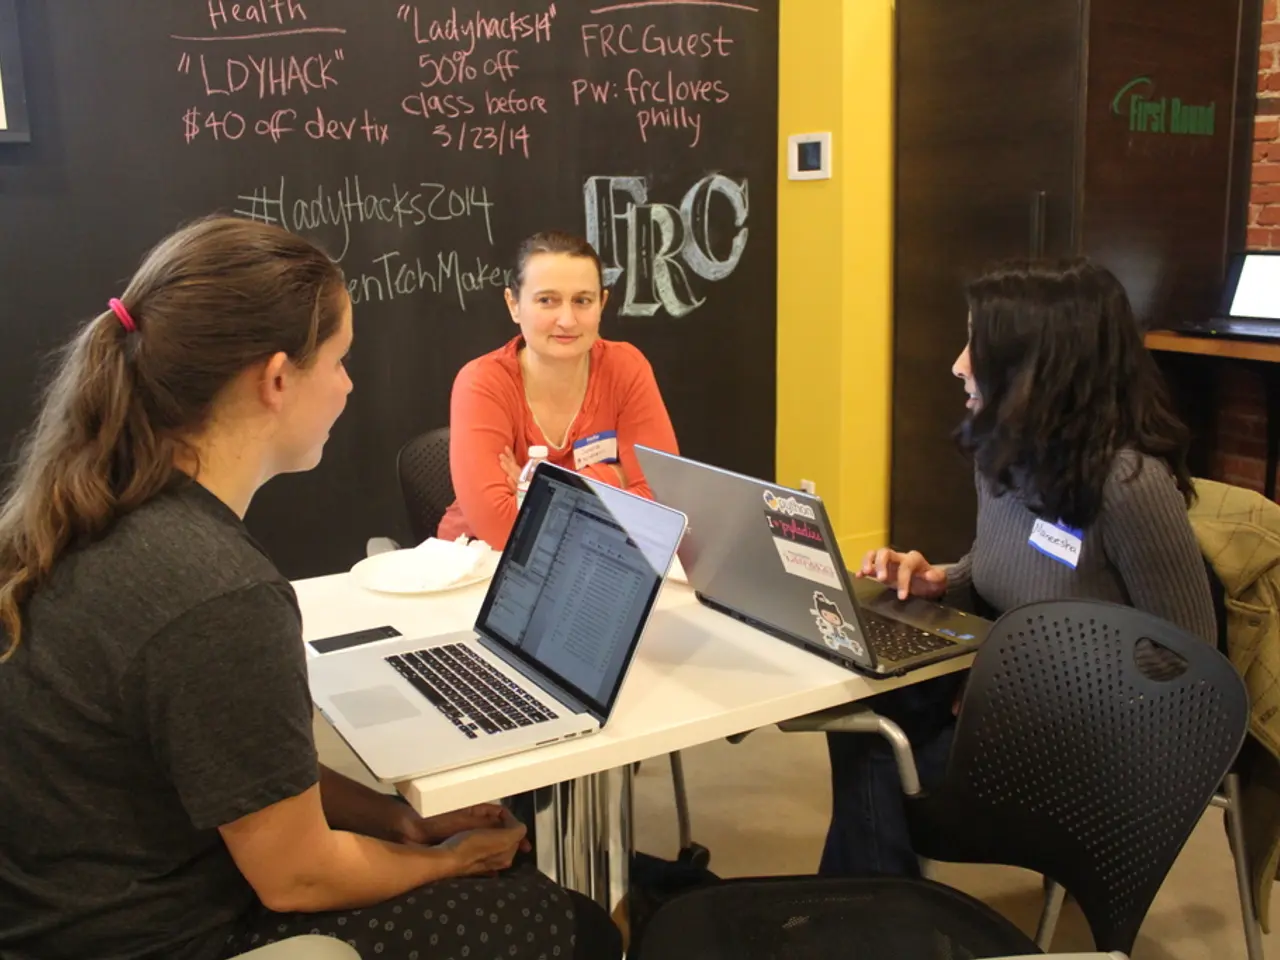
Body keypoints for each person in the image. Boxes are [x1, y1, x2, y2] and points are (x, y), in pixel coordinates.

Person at [0, 217, 622, 960]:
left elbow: (241, 765)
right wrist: (442, 862)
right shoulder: (216, 595)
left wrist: (396, 821)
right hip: (170, 936)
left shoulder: (88, 512)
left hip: (64, 905)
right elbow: (297, 878)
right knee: (560, 921)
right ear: (275, 379)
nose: (349, 384)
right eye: (339, 360)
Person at [820, 258, 1217, 878]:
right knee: (863, 702)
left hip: (1096, 732)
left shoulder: (1130, 486)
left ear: (1044, 365)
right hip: (1010, 697)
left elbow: (1189, 662)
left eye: (978, 343)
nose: (957, 362)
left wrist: (1016, 685)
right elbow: (995, 570)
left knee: (879, 754)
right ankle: (867, 920)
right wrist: (937, 581)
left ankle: (866, 923)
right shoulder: (1002, 452)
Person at [438, 231, 678, 547]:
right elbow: (501, 528)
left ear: (602, 303)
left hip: (598, 555)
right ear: (513, 304)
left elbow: (662, 503)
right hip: (479, 563)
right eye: (547, 300)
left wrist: (534, 488)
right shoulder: (482, 382)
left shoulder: (626, 367)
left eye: (582, 300)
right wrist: (616, 477)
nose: (567, 320)